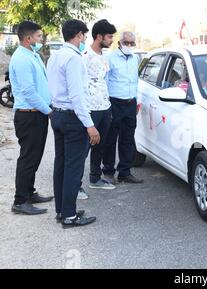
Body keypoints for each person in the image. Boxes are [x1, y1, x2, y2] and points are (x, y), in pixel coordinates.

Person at [47, 19, 98, 228]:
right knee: (73, 169)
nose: (85, 39)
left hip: (57, 115)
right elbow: (77, 96)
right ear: (78, 35)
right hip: (72, 117)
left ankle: (62, 210)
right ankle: (69, 216)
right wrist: (90, 124)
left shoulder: (55, 56)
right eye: (84, 35)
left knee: (61, 165)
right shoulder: (74, 59)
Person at [9, 21, 54, 215]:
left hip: (37, 114)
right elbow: (28, 92)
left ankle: (29, 192)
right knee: (28, 158)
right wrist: (49, 111)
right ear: (28, 39)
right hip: (29, 116)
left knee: (34, 157)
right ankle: (20, 201)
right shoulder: (21, 59)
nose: (40, 40)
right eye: (38, 36)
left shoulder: (32, 55)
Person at [78, 19, 117, 199]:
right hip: (90, 109)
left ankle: (95, 178)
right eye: (109, 36)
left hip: (104, 106)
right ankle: (76, 185)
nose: (111, 40)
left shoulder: (104, 56)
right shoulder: (84, 57)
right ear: (99, 36)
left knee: (100, 146)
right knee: (83, 148)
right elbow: (79, 86)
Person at [103, 31, 143, 184]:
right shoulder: (110, 58)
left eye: (132, 43)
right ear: (119, 43)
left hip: (130, 103)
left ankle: (124, 172)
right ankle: (108, 171)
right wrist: (107, 105)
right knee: (111, 138)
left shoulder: (135, 58)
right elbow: (105, 81)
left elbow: (135, 81)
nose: (129, 46)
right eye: (126, 42)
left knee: (128, 138)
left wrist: (136, 101)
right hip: (114, 102)